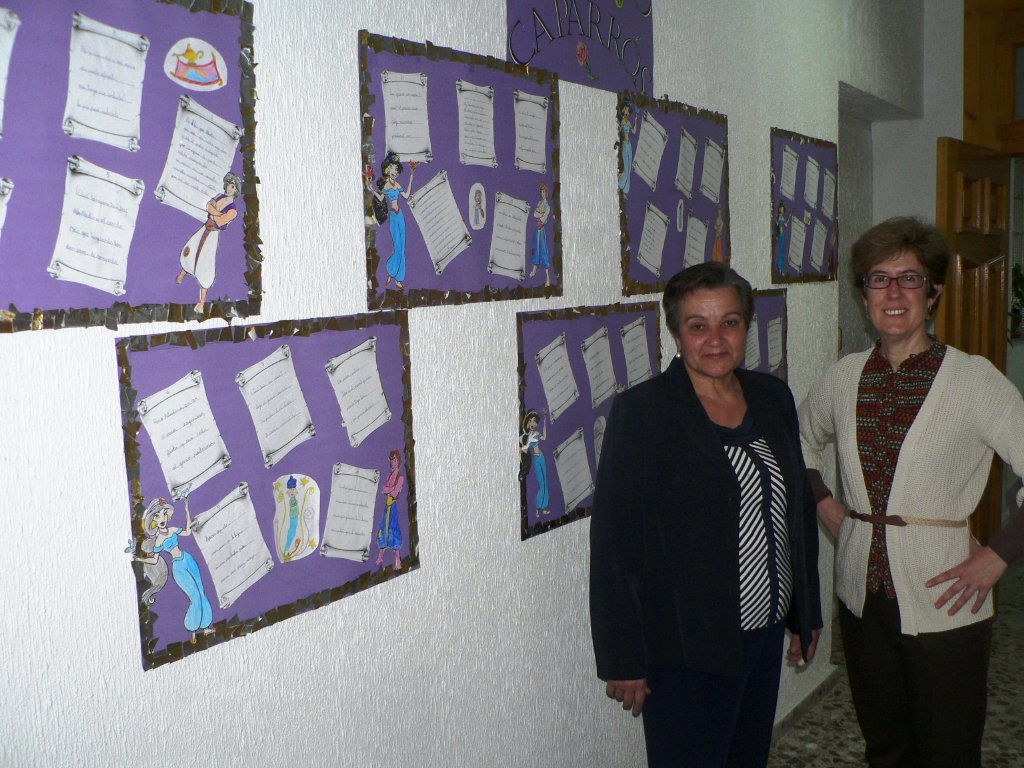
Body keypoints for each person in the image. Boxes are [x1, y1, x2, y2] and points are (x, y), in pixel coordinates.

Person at [799, 216, 1024, 768]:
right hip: (861, 597)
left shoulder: (974, 380)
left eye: (910, 278)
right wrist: (823, 500)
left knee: (947, 750)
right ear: (864, 295)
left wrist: (999, 554)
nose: (894, 293)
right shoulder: (844, 377)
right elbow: (797, 440)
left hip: (946, 597)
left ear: (934, 291)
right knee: (886, 747)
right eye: (879, 279)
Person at [590, 262, 823, 767]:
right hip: (687, 646)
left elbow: (796, 510)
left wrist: (806, 611)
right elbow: (614, 544)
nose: (715, 339)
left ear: (746, 327)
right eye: (698, 325)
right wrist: (622, 658)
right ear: (677, 334)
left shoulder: (772, 396)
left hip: (764, 632)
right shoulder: (644, 413)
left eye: (729, 322)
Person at [134, 496, 214, 643]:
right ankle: (192, 630)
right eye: (157, 516)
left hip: (188, 559)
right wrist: (140, 559)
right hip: (178, 567)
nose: (162, 518)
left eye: (164, 513)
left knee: (201, 591)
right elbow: (154, 560)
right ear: (153, 520)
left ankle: (206, 626)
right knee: (194, 595)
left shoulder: (171, 530)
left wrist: (187, 510)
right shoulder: (158, 540)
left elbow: (187, 532)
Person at [177, 172, 241, 313]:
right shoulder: (219, 196)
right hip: (204, 229)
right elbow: (208, 206)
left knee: (205, 264)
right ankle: (182, 275)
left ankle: (202, 303)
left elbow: (219, 222)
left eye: (233, 186)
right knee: (190, 250)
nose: (229, 188)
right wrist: (217, 212)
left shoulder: (233, 210)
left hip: (212, 235)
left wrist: (215, 212)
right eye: (229, 185)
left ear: (236, 190)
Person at [365, 151, 415, 290]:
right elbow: (381, 198)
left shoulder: (397, 185)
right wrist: (371, 188)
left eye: (396, 169)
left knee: (402, 248)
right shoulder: (386, 185)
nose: (394, 171)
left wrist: (412, 175)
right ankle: (390, 272)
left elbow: (406, 195)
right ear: (387, 169)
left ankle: (398, 279)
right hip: (393, 216)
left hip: (400, 216)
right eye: (391, 168)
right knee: (397, 246)